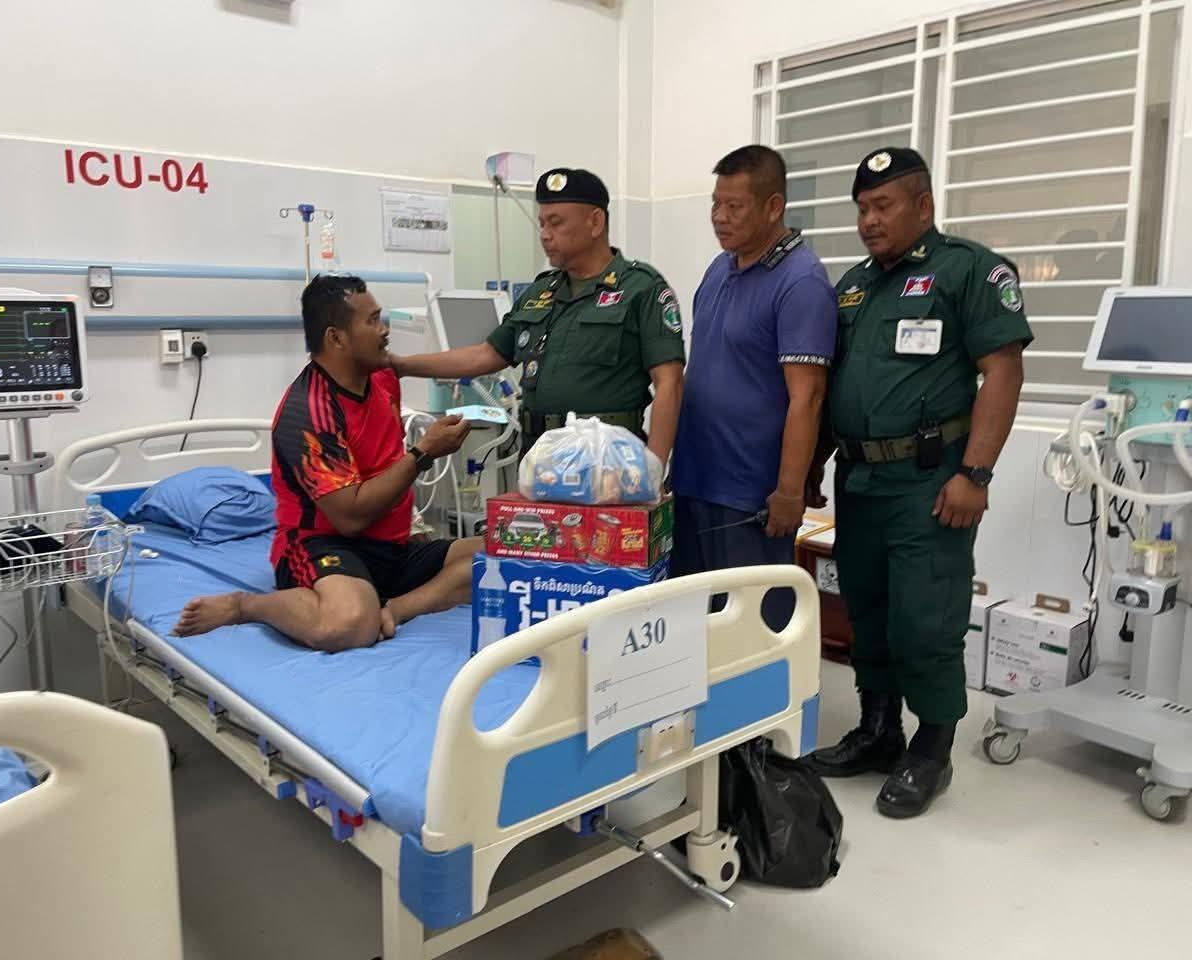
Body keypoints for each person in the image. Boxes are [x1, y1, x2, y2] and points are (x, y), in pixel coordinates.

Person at [806, 147, 1032, 818]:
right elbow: (836, 388)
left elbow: (1003, 371)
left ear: (923, 204)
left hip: (929, 480)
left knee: (924, 617)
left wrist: (975, 474)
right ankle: (879, 731)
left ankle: (932, 749)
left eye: (883, 206)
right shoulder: (853, 287)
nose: (869, 221)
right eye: (861, 209)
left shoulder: (969, 271)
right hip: (859, 479)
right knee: (867, 608)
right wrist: (813, 466)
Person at [174, 274, 479, 651]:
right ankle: (246, 606)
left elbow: (456, 361)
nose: (384, 330)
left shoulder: (381, 375)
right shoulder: (308, 411)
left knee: (504, 555)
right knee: (350, 623)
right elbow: (350, 517)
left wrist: (508, 350)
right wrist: (423, 453)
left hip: (391, 548)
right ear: (336, 338)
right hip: (325, 544)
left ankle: (396, 609)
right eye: (373, 321)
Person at [393, 167, 685, 463]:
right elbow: (486, 354)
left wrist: (653, 467)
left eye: (556, 223)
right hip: (539, 459)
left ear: (595, 222)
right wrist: (401, 366)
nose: (544, 235)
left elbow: (669, 383)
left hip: (608, 461)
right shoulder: (540, 292)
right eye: (542, 223)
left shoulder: (641, 288)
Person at [668, 145, 836, 630]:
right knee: (690, 630)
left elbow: (808, 397)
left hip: (750, 497)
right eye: (715, 204)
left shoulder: (801, 281)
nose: (719, 217)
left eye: (734, 206)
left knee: (751, 635)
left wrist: (789, 491)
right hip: (694, 481)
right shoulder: (719, 269)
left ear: (773, 206)